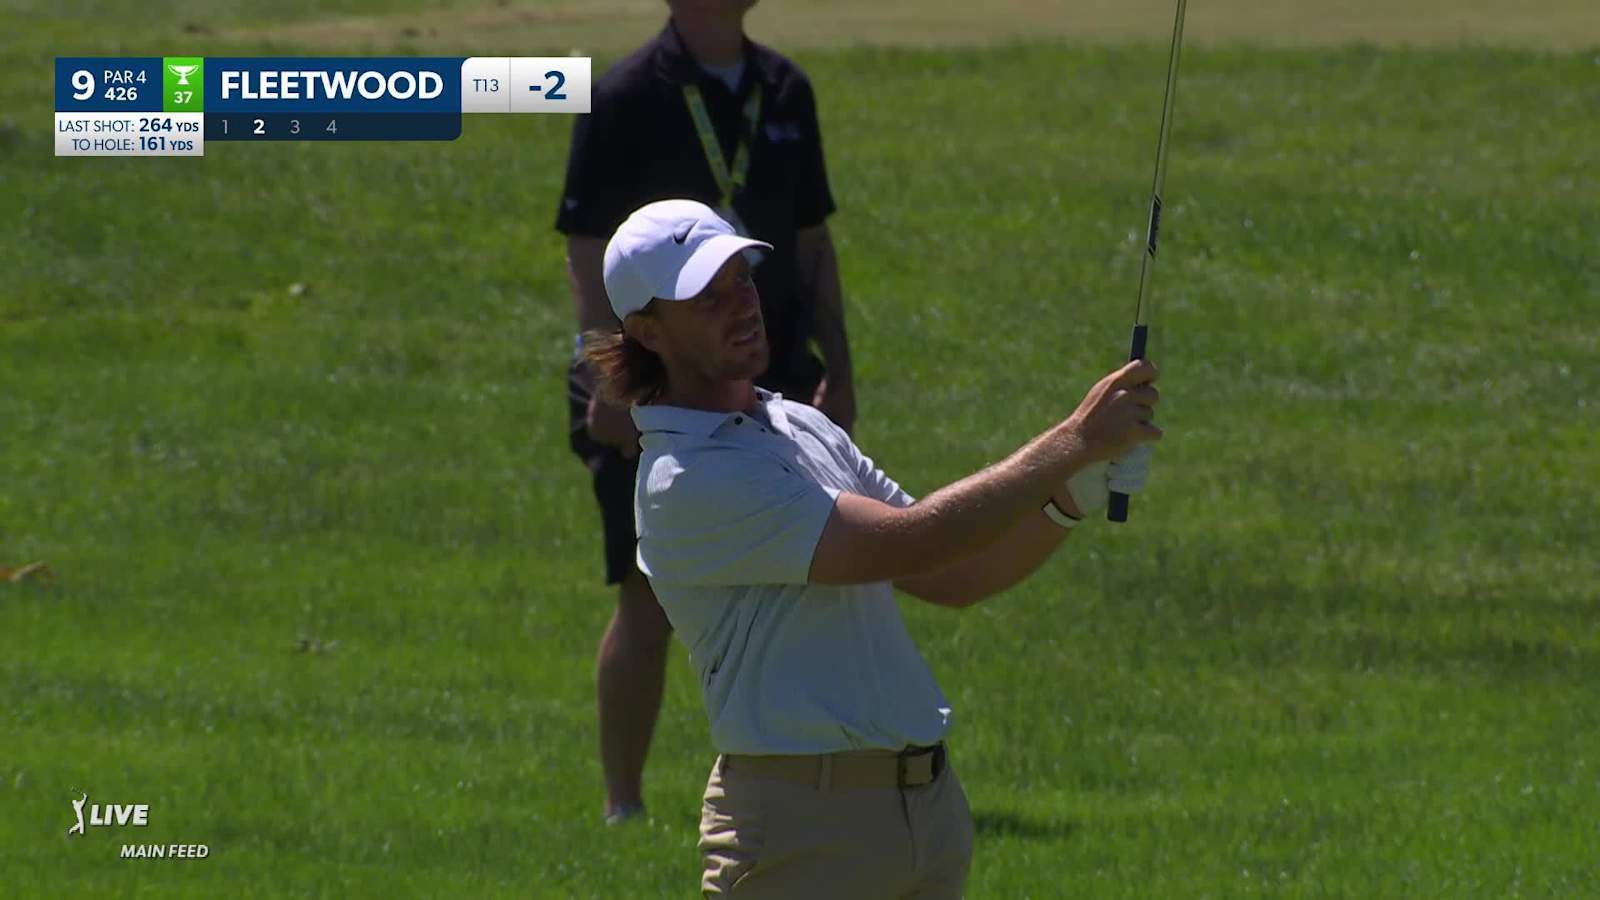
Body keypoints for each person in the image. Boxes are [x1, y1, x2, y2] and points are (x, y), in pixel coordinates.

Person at [584, 199, 1159, 897]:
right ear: (648, 331)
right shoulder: (691, 478)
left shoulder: (797, 425)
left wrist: (1072, 495)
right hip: (801, 831)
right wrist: (1073, 440)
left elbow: (953, 574)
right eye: (708, 297)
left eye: (742, 278)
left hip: (922, 814)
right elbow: (910, 543)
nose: (742, 305)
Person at [556, 0, 855, 823]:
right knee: (645, 598)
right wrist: (611, 386)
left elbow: (812, 244)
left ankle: (812, 784)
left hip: (774, 370)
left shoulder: (784, 89)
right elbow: (587, 255)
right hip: (655, 382)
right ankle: (623, 806)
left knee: (806, 586)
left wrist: (843, 372)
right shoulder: (622, 96)